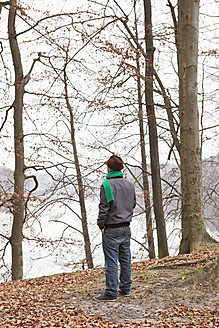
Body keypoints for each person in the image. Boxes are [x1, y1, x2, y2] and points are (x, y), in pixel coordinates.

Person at [94, 154, 136, 301]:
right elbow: (133, 204)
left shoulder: (106, 185)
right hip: (126, 227)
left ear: (109, 168)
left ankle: (111, 292)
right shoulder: (129, 185)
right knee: (125, 259)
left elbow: (104, 208)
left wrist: (101, 224)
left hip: (111, 228)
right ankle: (125, 288)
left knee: (111, 261)